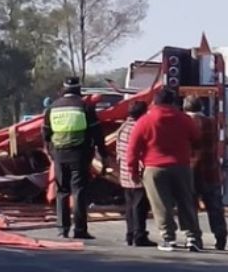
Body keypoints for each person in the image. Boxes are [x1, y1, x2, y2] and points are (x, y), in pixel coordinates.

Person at [127, 87, 204, 252]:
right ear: (173, 102)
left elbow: (133, 148)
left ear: (155, 102)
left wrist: (133, 171)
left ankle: (168, 238)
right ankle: (193, 237)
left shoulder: (145, 121)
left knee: (161, 204)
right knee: (186, 202)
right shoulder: (184, 119)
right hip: (181, 166)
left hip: (154, 168)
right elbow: (197, 139)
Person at [42, 77, 109, 240]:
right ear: (79, 90)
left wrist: (51, 153)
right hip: (80, 154)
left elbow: (46, 133)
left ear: (63, 89)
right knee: (78, 191)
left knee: (62, 191)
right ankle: (80, 229)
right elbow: (97, 134)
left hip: (59, 154)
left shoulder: (52, 107)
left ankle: (62, 229)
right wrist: (103, 154)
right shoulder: (85, 106)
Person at [184, 95, 228, 250]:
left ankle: (194, 238)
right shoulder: (211, 122)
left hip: (191, 171)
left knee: (190, 207)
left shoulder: (185, 123)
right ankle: (220, 235)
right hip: (211, 170)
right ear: (201, 107)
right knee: (214, 206)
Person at [116, 100, 155, 247]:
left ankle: (130, 234)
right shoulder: (139, 127)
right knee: (140, 206)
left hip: (125, 172)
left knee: (130, 205)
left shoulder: (123, 127)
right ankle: (139, 235)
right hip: (136, 171)